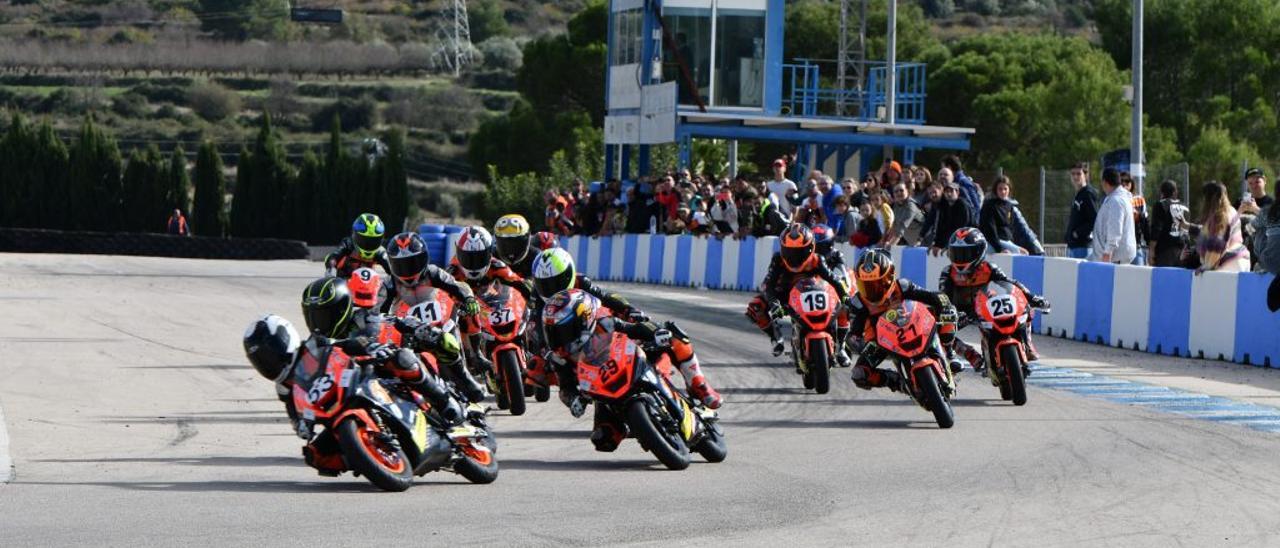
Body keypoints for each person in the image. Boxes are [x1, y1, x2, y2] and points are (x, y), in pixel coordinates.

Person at [242, 279, 469, 475]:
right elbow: (294, 410)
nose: (270, 363)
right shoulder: (291, 376)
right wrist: (301, 424)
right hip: (342, 401)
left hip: (382, 374)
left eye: (323, 315)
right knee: (316, 455)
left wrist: (382, 346)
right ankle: (370, 455)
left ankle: (443, 399)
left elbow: (386, 326)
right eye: (263, 361)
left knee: (403, 358)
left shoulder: (354, 325)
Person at [533, 251, 723, 409]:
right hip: (576, 353)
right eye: (545, 284)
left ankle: (698, 382)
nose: (552, 290)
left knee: (668, 334)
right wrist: (547, 354)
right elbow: (542, 337)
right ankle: (608, 406)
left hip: (602, 328)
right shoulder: (541, 306)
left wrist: (630, 311)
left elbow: (607, 297)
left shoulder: (581, 282)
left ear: (569, 274)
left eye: (557, 282)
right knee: (604, 438)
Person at [542, 290, 720, 452]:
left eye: (562, 331)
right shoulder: (560, 358)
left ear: (583, 320)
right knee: (604, 440)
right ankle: (640, 427)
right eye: (552, 332)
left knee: (674, 335)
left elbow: (634, 328)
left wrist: (656, 332)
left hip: (634, 362)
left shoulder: (603, 322)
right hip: (604, 394)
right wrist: (573, 400)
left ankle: (698, 384)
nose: (558, 339)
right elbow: (565, 388)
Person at [385, 231, 487, 402]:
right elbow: (377, 307)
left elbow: (457, 286)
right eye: (401, 265)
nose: (408, 270)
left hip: (439, 320)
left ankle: (473, 358)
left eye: (413, 263)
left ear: (424, 259)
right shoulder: (389, 284)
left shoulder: (433, 273)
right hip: (407, 327)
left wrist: (468, 298)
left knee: (470, 307)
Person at [847, 250, 960, 391]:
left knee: (947, 316)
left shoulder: (902, 286)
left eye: (877, 284)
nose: (872, 291)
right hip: (882, 342)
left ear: (890, 278)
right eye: (866, 285)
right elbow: (853, 332)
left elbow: (936, 296)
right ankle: (896, 381)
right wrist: (856, 342)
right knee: (859, 374)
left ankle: (948, 354)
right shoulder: (858, 302)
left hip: (913, 326)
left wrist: (946, 307)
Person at [744, 224, 855, 365]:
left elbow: (833, 279)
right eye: (789, 252)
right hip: (785, 293)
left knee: (843, 306)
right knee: (756, 307)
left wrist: (845, 296)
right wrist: (774, 304)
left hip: (814, 292)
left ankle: (841, 347)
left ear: (810, 248)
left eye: (799, 252)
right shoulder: (778, 260)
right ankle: (775, 337)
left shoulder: (817, 260)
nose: (794, 257)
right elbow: (769, 285)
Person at [940, 229, 1047, 369]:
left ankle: (1027, 343)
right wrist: (949, 313)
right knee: (940, 328)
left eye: (966, 254)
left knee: (1025, 307)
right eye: (957, 254)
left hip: (986, 306)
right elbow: (944, 297)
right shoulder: (948, 272)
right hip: (961, 311)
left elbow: (1010, 283)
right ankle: (969, 355)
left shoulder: (989, 268)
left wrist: (1031, 297)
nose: (961, 259)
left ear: (979, 252)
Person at [1187, 181, 1251, 273]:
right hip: (1240, 260)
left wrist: (1206, 266)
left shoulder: (1219, 217)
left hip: (1228, 263)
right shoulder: (1231, 210)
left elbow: (1217, 244)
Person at [979, 176, 1042, 255]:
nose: (1003, 192)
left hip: (1007, 241)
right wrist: (999, 249)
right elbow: (990, 230)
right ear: (996, 190)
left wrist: (1013, 244)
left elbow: (1011, 228)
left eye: (1005, 189)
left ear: (1009, 190)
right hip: (995, 241)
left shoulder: (1009, 206)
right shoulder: (989, 206)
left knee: (1025, 252)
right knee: (1022, 253)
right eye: (1000, 189)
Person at [1089, 168, 1137, 264]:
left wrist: (1107, 253)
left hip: (1113, 258)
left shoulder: (1116, 201)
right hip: (1113, 257)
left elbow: (1115, 229)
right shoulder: (1117, 198)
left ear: (1105, 182)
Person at [323, 213, 393, 279]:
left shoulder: (380, 251)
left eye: (373, 241)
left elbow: (392, 271)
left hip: (369, 288)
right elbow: (332, 257)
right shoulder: (348, 244)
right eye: (364, 240)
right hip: (344, 285)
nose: (368, 245)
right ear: (355, 236)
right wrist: (330, 271)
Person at [493, 214, 558, 279]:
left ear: (527, 240)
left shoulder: (538, 259)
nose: (510, 248)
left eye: (516, 243)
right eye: (505, 244)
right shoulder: (492, 257)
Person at [1148, 181, 1191, 267]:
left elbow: (1156, 229)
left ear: (1162, 193)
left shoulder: (1160, 205)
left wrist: (1151, 250)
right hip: (1183, 249)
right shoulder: (1185, 207)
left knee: (1163, 278)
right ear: (1175, 192)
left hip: (1165, 250)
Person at [929, 179, 976, 256]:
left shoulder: (963, 205)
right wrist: (937, 244)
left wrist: (949, 245)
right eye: (946, 192)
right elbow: (941, 227)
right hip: (954, 240)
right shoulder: (944, 206)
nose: (949, 194)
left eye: (951, 191)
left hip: (968, 239)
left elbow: (962, 229)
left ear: (957, 192)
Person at [1065, 162, 1101, 259]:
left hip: (1083, 247)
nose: (1075, 177)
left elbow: (1095, 219)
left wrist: (1077, 233)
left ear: (1085, 175)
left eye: (1078, 174)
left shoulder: (1088, 194)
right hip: (1073, 246)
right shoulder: (1079, 194)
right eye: (1073, 174)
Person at [1119, 173, 1151, 265]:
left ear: (1132, 183)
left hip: (1137, 246)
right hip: (1119, 247)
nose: (1124, 184)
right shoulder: (1115, 200)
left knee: (1140, 274)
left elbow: (1145, 222)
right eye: (1121, 181)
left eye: (1127, 181)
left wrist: (1149, 243)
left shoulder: (1139, 200)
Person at [941, 155, 981, 225]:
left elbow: (975, 205)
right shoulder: (953, 181)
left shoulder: (963, 182)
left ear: (949, 167)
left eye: (943, 167)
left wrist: (974, 224)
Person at [1250, 184, 1280, 274]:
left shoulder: (1269, 210)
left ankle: (1261, 263)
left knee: (1260, 229)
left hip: (1271, 263)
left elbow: (1251, 227)